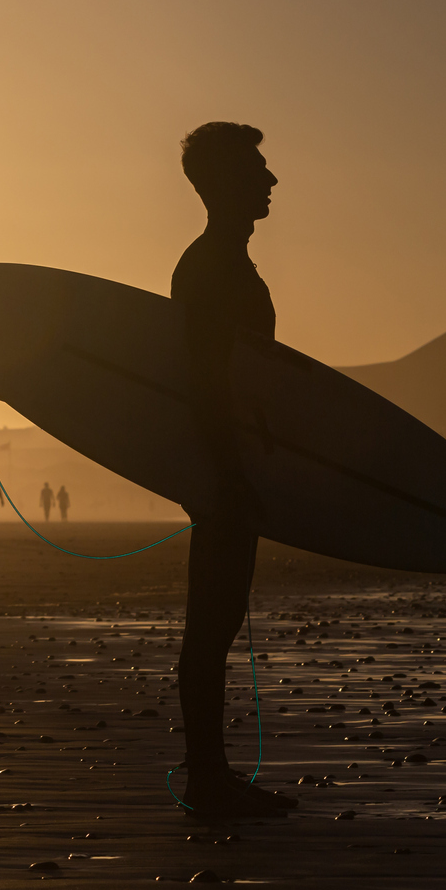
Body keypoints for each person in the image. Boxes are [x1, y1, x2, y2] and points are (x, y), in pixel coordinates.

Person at [169, 121, 297, 817]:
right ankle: (207, 780)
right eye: (257, 169)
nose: (270, 180)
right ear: (222, 182)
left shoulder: (224, 262)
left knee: (218, 621)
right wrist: (225, 472)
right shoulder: (211, 266)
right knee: (211, 623)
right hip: (221, 471)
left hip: (229, 465)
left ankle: (210, 775)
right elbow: (204, 383)